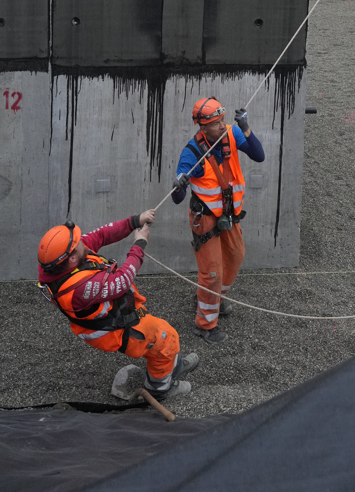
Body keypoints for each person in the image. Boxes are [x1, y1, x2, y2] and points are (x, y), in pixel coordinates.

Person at [37, 210, 199, 402]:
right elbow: (122, 281)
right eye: (78, 242)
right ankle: (159, 388)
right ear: (72, 259)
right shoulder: (79, 289)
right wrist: (140, 243)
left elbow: (102, 235)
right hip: (113, 328)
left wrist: (134, 221)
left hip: (116, 312)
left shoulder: (61, 260)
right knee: (164, 338)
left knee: (164, 335)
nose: (83, 241)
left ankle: (172, 365)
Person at [172, 98, 265, 344]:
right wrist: (179, 185)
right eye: (216, 123)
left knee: (235, 256)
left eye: (223, 120)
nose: (222, 125)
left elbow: (259, 156)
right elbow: (177, 198)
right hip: (205, 219)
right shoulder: (192, 153)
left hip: (228, 215)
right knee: (212, 272)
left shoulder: (232, 133)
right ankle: (205, 325)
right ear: (203, 127)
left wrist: (246, 127)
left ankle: (214, 299)